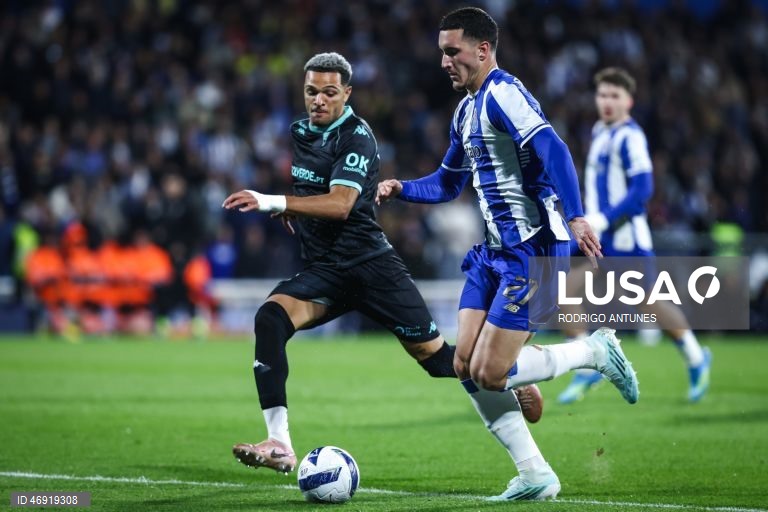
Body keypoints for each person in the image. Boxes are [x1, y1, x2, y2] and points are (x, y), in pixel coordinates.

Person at [376, 7, 639, 501]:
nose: (444, 62)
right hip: (493, 254)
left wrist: (578, 215)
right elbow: (449, 182)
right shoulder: (465, 109)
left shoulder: (504, 94)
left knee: (490, 373)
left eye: (452, 52)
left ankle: (594, 351)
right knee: (463, 367)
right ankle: (535, 473)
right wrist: (400, 187)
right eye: (441, 53)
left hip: (533, 250)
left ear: (483, 49)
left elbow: (556, 151)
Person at [222, 52, 460, 475]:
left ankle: (516, 372)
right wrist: (295, 209)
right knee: (270, 319)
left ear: (346, 94)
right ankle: (280, 443)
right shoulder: (300, 131)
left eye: (329, 92)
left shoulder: (357, 136)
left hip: (371, 266)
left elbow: (342, 203)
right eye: (312, 91)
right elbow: (314, 187)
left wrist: (271, 201)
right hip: (328, 271)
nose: (319, 100)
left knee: (439, 361)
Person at [556, 67, 712, 405]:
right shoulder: (599, 131)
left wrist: (605, 219)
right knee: (562, 288)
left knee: (647, 303)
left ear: (629, 100)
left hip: (626, 238)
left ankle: (697, 357)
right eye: (602, 95)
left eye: (615, 96)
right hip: (599, 236)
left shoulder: (631, 137)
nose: (607, 102)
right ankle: (586, 365)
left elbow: (644, 189)